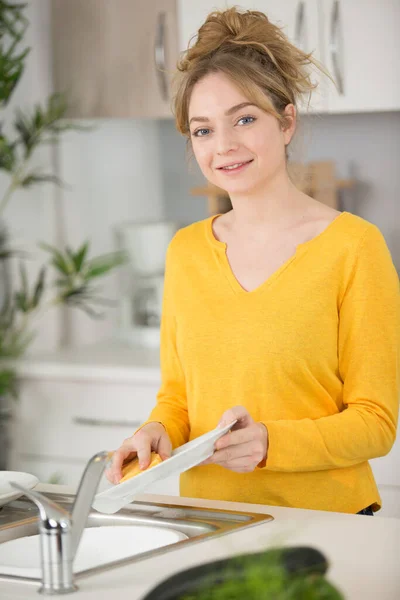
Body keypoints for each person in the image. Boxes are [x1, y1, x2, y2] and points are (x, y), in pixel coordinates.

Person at [107, 7, 399, 515]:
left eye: (244, 119)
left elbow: (376, 422)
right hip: (210, 522)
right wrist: (155, 431)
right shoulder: (187, 251)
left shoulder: (353, 246)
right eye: (203, 130)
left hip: (329, 525)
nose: (224, 146)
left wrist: (270, 443)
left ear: (286, 122)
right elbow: (178, 399)